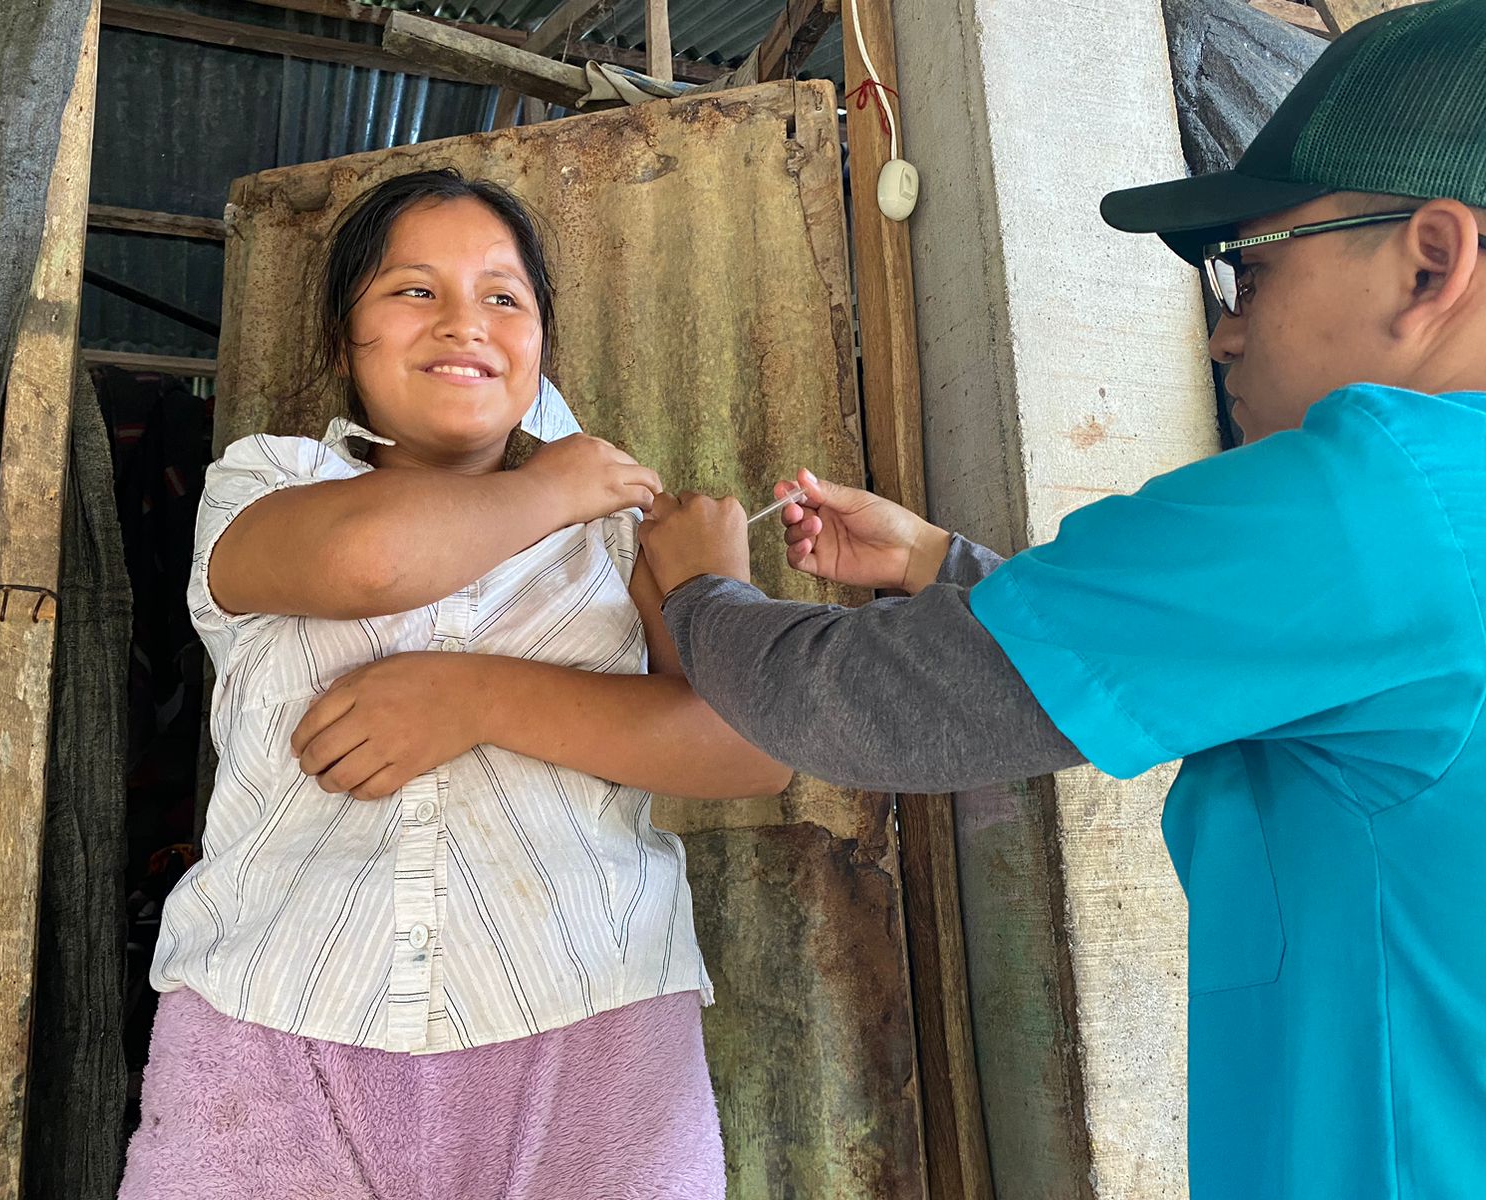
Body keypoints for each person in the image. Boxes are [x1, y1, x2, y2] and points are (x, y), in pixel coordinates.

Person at [637, 3, 1486, 1198]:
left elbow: (859, 704)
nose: (1224, 335)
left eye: (1251, 268)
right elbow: (1302, 675)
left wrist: (694, 589)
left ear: (1431, 262)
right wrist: (949, 569)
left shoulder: (1375, 492)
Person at [118, 169, 790, 1200]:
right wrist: (551, 483)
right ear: (346, 337)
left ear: (539, 350)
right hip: (275, 1019)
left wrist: (472, 697)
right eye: (413, 291)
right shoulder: (267, 482)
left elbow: (746, 751)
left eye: (502, 296)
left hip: (588, 1016)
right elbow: (368, 564)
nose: (463, 322)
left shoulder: (619, 536)